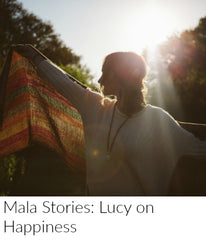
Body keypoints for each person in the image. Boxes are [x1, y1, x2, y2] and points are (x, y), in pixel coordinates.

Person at [13, 44, 206, 196]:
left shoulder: (159, 120)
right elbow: (62, 81)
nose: (99, 80)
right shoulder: (95, 108)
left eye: (106, 72)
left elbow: (200, 150)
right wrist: (33, 55)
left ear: (123, 76)